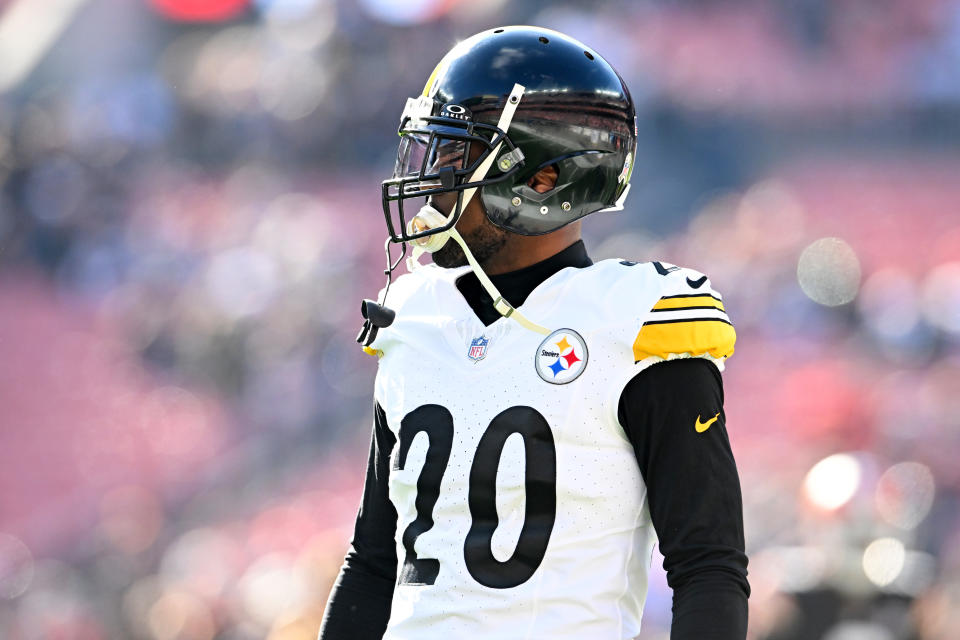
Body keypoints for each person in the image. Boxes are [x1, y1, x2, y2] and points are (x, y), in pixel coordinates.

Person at [320, 26, 749, 640]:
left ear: (542, 180)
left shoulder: (632, 324)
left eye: (456, 156)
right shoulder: (413, 319)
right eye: (434, 152)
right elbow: (373, 564)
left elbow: (707, 565)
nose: (434, 181)